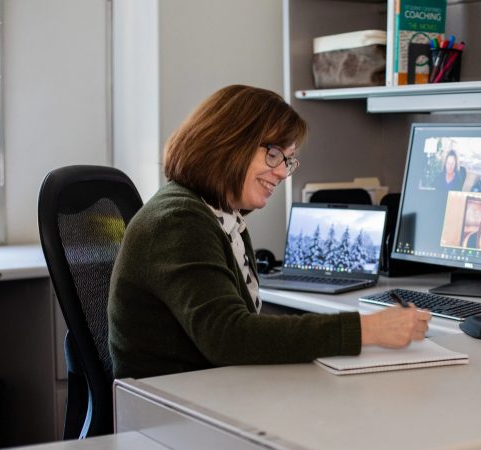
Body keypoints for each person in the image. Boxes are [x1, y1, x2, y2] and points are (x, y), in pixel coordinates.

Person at [108, 85, 431, 379]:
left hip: (207, 388)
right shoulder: (178, 220)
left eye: (288, 161)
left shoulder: (221, 216)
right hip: (174, 409)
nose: (281, 172)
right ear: (227, 142)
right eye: (274, 154)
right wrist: (365, 330)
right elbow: (229, 336)